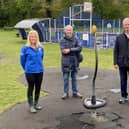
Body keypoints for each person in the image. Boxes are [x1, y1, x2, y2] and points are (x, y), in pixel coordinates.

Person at [20, 30, 44, 113]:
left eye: (35, 36)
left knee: (38, 87)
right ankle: (31, 106)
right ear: (29, 38)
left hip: (40, 71)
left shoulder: (41, 48)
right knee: (31, 87)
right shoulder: (25, 48)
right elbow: (22, 61)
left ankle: (36, 104)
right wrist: (27, 68)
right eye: (31, 36)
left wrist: (39, 66)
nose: (33, 38)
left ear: (37, 38)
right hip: (30, 72)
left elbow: (41, 58)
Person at [60, 25, 83, 99]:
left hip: (74, 61)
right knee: (65, 78)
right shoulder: (62, 40)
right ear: (65, 31)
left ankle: (75, 92)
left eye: (70, 30)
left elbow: (80, 48)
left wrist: (70, 50)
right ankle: (65, 93)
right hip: (66, 62)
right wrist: (73, 49)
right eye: (67, 30)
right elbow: (63, 51)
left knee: (74, 78)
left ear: (72, 31)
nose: (69, 31)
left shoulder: (76, 39)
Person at [114, 18, 129, 104]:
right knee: (123, 80)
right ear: (123, 26)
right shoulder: (119, 37)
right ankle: (124, 96)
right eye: (126, 25)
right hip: (122, 62)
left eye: (128, 25)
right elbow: (116, 50)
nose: (127, 26)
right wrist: (115, 62)